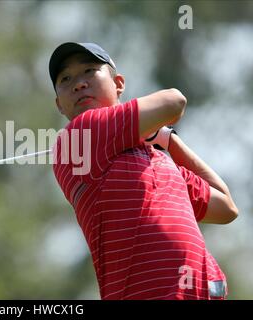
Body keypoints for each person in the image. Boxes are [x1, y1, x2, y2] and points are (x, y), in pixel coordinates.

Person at [49, 42, 238, 300]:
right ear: (60, 105)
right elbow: (174, 102)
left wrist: (169, 141)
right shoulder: (80, 135)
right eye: (66, 79)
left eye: (90, 71)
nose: (79, 83)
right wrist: (157, 130)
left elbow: (226, 207)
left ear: (119, 84)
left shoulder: (160, 162)